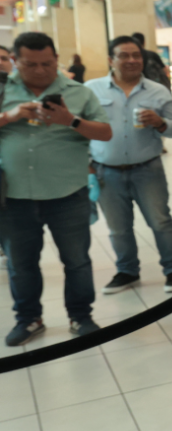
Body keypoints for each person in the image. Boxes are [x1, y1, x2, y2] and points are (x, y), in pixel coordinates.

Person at [1, 32, 112, 346]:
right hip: (14, 196)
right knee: (21, 264)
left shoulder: (78, 92)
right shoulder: (3, 91)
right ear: (14, 61)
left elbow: (105, 132)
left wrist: (70, 120)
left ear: (56, 60)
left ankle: (81, 316)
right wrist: (9, 117)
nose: (40, 70)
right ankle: (29, 319)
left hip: (68, 194)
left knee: (76, 260)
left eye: (47, 63)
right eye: (30, 64)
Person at [88, 36, 172, 295]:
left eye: (136, 55)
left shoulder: (158, 91)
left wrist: (160, 122)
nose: (132, 60)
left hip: (148, 169)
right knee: (118, 228)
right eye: (124, 55)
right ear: (111, 59)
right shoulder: (92, 90)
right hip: (105, 171)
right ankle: (127, 271)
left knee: (161, 221)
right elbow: (81, 130)